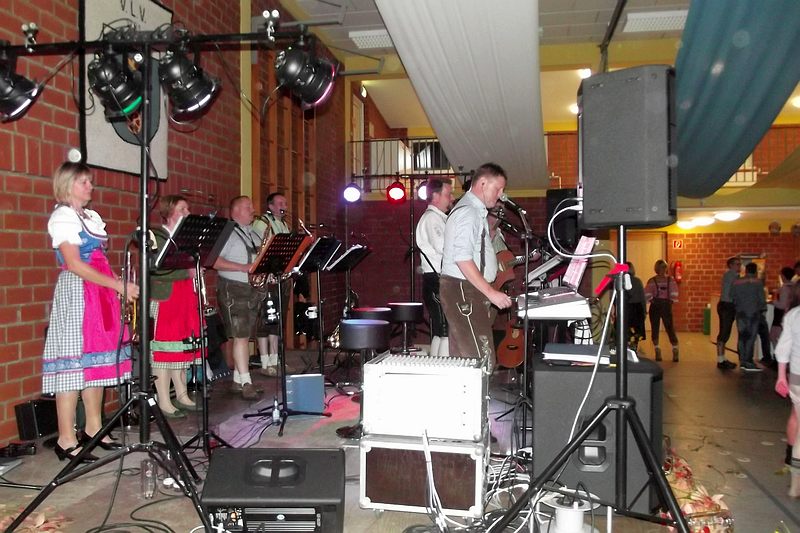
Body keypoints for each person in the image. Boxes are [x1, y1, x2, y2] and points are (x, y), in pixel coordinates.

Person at [43, 162, 138, 462]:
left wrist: (116, 285)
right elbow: (74, 263)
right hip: (78, 291)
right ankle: (66, 438)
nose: (91, 186)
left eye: (90, 181)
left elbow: (98, 260)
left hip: (99, 292)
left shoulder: (91, 217)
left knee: (96, 362)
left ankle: (95, 428)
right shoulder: (63, 217)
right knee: (73, 366)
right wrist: (117, 285)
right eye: (84, 182)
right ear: (67, 184)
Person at [440, 163, 513, 366]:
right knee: (481, 359)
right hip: (463, 288)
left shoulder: (474, 211)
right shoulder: (468, 213)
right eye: (497, 189)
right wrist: (491, 293)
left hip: (466, 288)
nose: (500, 195)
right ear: (482, 183)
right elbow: (462, 259)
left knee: (465, 359)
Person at [149, 195, 202, 418]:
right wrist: (187, 271)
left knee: (181, 349)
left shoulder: (184, 239)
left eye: (187, 209)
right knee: (164, 351)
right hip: (166, 299)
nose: (187, 213)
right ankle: (163, 400)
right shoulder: (157, 235)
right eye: (182, 209)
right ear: (169, 212)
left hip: (184, 297)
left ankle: (181, 394)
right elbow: (156, 269)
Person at [213, 196, 266, 400]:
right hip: (233, 289)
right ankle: (246, 382)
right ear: (235, 211)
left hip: (252, 289)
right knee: (241, 337)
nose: (253, 209)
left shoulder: (253, 233)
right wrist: (244, 267)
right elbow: (214, 261)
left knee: (244, 335)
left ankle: (237, 380)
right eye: (248, 207)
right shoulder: (226, 232)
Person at [252, 192, 292, 376]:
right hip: (266, 278)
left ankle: (275, 361)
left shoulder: (284, 224)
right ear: (270, 206)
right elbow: (259, 249)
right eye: (280, 203)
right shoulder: (261, 223)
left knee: (277, 320)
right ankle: (264, 361)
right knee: (265, 320)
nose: (284, 206)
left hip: (280, 278)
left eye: (285, 203)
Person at [415, 177, 454, 357]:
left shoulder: (438, 218)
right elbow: (444, 248)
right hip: (437, 279)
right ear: (436, 196)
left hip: (436, 279)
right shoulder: (432, 219)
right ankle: (443, 368)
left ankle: (437, 364)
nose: (452, 198)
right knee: (445, 328)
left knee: (441, 329)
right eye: (448, 194)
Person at [774, 282, 800, 497]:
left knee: (796, 418)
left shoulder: (793, 315)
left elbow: (783, 348)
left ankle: (794, 479)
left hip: (796, 379)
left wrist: (781, 376)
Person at [731, 262, 766, 372]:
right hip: (753, 312)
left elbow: (732, 296)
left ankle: (742, 361)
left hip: (740, 312)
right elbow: (762, 299)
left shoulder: (736, 282)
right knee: (751, 337)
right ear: (755, 271)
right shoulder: (758, 283)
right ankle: (748, 362)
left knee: (742, 336)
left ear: (745, 270)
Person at [645, 259, 679, 362]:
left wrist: (652, 300)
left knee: (667, 328)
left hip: (660, 305)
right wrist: (670, 301)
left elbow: (647, 294)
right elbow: (647, 293)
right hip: (661, 305)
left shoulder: (657, 280)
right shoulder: (668, 280)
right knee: (659, 328)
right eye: (662, 268)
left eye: (664, 267)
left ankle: (673, 349)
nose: (663, 270)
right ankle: (659, 350)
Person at [715, 256, 740, 370]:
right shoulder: (732, 276)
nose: (739, 266)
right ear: (731, 265)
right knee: (724, 333)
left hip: (726, 305)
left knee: (725, 332)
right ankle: (720, 360)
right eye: (737, 264)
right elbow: (732, 293)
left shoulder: (730, 275)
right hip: (727, 306)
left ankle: (722, 358)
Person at [625, 261, 647, 351]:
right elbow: (642, 297)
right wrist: (644, 310)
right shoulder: (637, 281)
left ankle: (626, 347)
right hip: (637, 308)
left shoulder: (620, 281)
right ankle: (634, 346)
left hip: (626, 308)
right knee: (637, 329)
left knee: (625, 329)